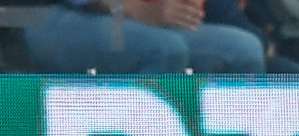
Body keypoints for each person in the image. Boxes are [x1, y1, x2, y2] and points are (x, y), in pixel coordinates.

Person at [24, 0, 266, 74]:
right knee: (165, 49)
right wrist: (133, 8)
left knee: (244, 49)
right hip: (49, 15)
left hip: (134, 21)